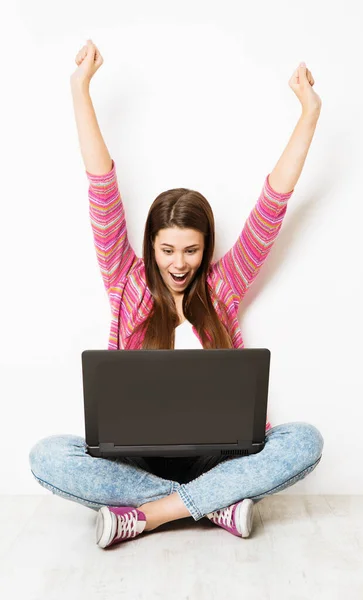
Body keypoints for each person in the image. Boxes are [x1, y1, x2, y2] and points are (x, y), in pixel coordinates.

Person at [28, 40, 324, 549]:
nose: (179, 263)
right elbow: (102, 186)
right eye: (167, 250)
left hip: (220, 457)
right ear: (151, 247)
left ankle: (147, 514)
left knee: (305, 440)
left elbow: (273, 204)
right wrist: (80, 89)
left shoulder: (224, 286)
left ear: (206, 247)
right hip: (135, 458)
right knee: (47, 455)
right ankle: (217, 505)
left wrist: (310, 113)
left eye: (191, 250)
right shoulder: (126, 281)